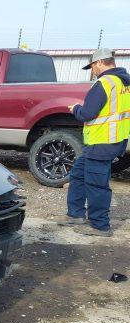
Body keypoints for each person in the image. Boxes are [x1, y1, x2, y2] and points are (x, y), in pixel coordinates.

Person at [59, 48, 130, 236]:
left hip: (102, 142)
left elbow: (87, 114)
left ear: (99, 63)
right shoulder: (124, 82)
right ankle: (75, 215)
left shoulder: (104, 83)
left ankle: (100, 226)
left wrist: (75, 108)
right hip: (112, 141)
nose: (92, 71)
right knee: (77, 175)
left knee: (97, 184)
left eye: (91, 66)